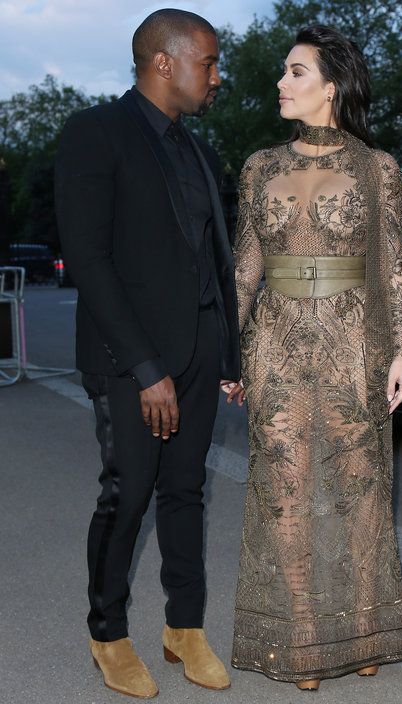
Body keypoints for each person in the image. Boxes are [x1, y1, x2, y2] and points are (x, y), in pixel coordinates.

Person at [227, 24, 402, 690]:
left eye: (296, 72)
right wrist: (229, 350)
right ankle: (305, 638)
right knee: (284, 492)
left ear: (331, 86)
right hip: (275, 345)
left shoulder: (377, 168)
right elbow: (244, 270)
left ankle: (363, 629)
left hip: (353, 343)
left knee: (359, 491)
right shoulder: (259, 167)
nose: (281, 82)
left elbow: (391, 267)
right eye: (284, 72)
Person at [55, 9, 240, 699]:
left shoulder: (201, 153)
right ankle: (107, 635)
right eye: (208, 62)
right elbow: (90, 260)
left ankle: (184, 628)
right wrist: (144, 367)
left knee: (186, 491)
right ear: (164, 62)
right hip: (131, 362)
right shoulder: (95, 133)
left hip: (199, 352)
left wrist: (230, 356)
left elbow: (214, 260)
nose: (216, 77)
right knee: (128, 492)